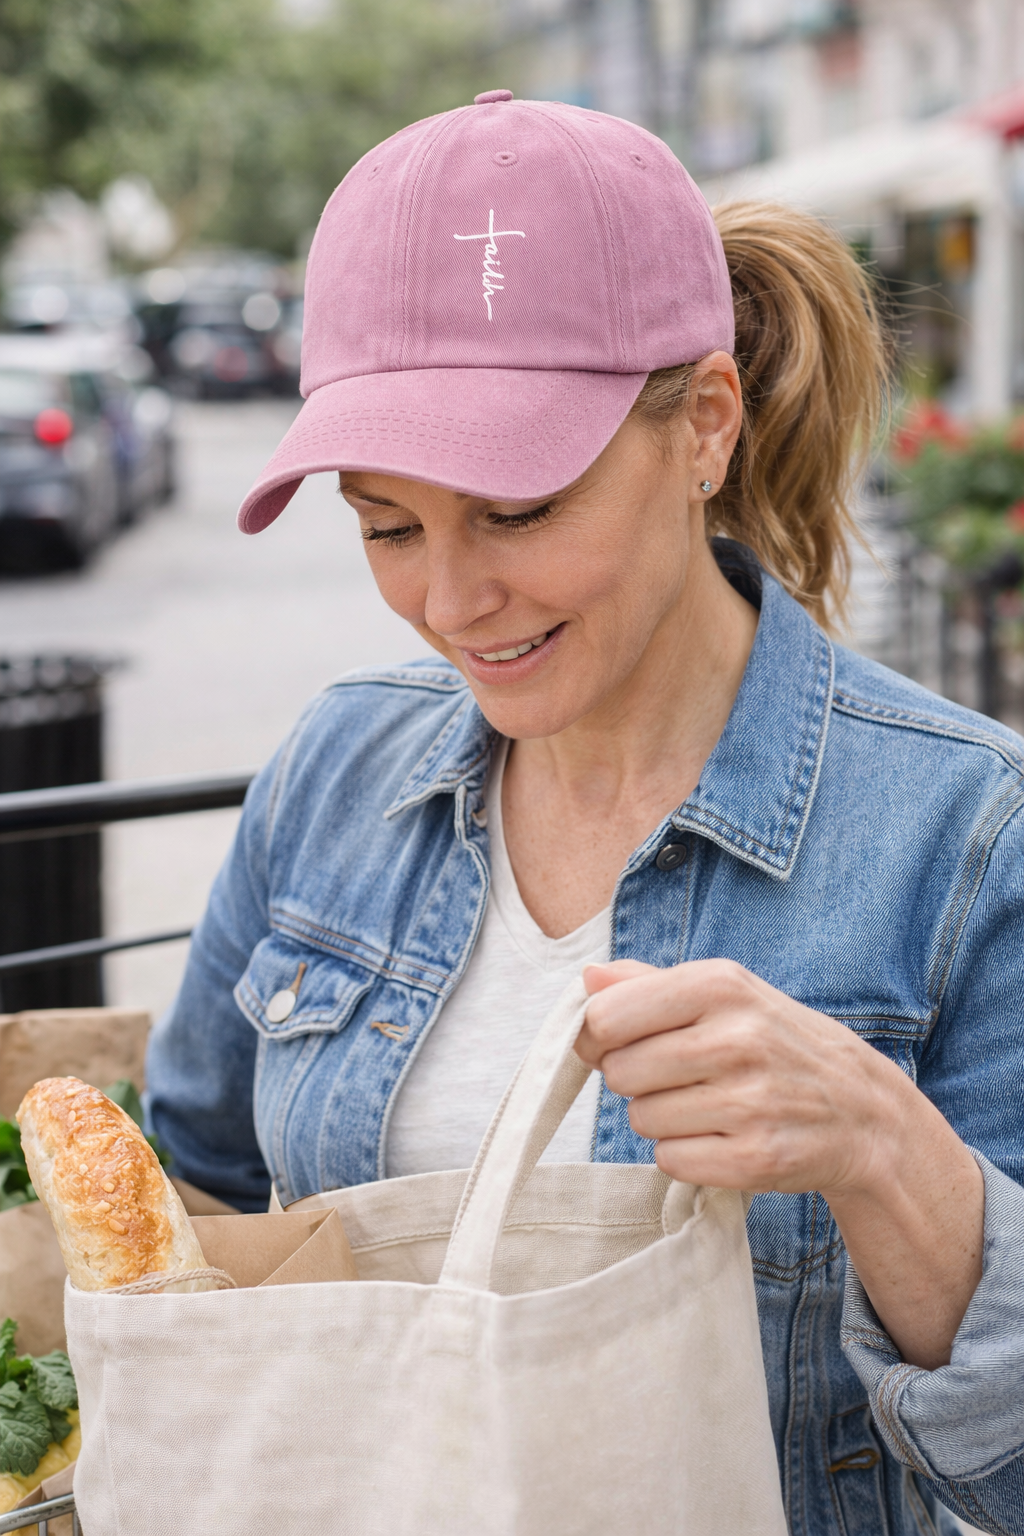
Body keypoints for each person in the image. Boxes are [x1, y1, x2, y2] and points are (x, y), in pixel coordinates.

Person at [148, 92, 1024, 1536]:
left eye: (519, 509)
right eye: (385, 524)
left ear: (705, 428)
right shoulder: (335, 766)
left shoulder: (968, 835)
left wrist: (881, 1147)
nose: (451, 600)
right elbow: (192, 1186)